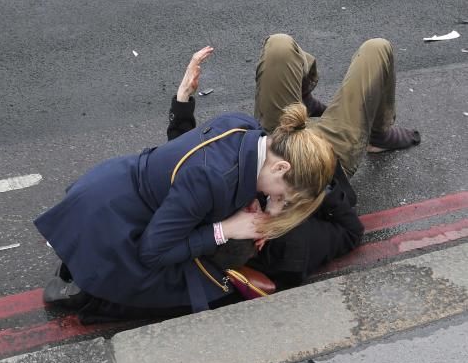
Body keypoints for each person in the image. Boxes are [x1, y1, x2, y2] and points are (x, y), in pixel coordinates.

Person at [34, 48, 336, 316]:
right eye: (283, 195)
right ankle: (90, 286)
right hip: (114, 224)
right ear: (282, 167)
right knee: (202, 291)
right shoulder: (213, 179)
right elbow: (153, 252)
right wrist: (225, 229)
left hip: (111, 188)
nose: (276, 201)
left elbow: (187, 165)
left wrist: (182, 102)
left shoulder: (242, 127)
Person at [166, 35, 420, 288]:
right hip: (329, 153)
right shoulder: (292, 253)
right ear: (260, 240)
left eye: (244, 212)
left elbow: (186, 165)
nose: (254, 205)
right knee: (377, 49)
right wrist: (317, 184)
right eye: (277, 202)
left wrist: (183, 100)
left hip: (278, 139)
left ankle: (303, 101)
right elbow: (352, 232)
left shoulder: (214, 205)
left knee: (279, 46)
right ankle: (378, 133)